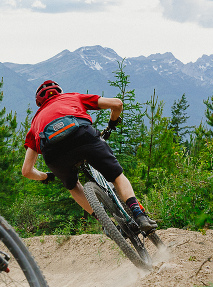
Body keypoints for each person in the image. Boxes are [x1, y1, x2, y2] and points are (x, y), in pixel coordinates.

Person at [21, 80, 157, 233]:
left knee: (73, 186)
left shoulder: (35, 123)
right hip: (83, 136)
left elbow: (26, 171)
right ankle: (139, 214)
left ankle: (108, 225)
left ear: (39, 103)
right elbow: (117, 104)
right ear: (60, 92)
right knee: (116, 176)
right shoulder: (72, 97)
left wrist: (46, 176)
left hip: (54, 154)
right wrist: (112, 123)